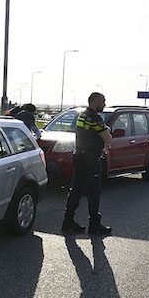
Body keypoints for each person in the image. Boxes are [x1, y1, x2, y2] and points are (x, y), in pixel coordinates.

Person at [61, 92, 112, 234]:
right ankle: (95, 225)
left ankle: (68, 221)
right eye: (103, 101)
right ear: (95, 101)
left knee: (76, 189)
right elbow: (108, 138)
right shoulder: (96, 118)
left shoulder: (82, 115)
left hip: (78, 156)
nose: (104, 104)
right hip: (90, 159)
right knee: (94, 192)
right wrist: (107, 131)